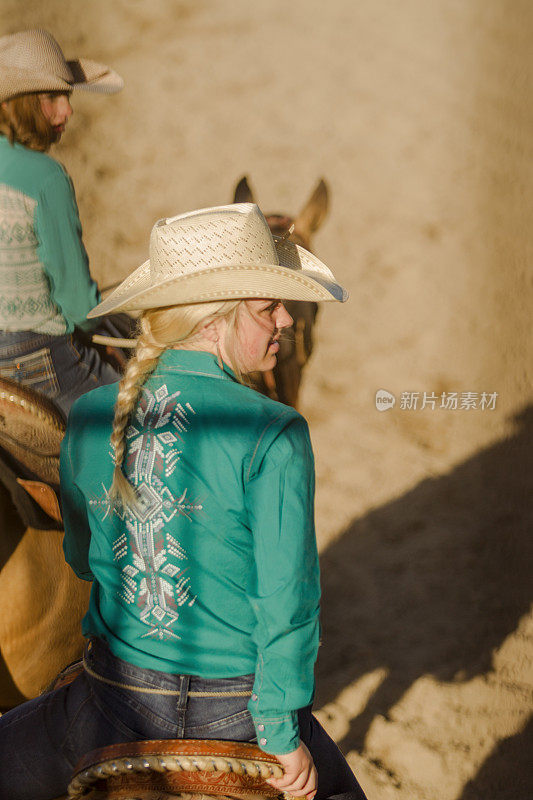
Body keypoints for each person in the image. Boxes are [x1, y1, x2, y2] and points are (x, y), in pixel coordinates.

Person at [0, 203, 367, 800]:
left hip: (114, 700)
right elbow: (287, 604)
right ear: (212, 320)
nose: (286, 319)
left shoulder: (91, 417)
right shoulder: (275, 429)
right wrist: (279, 734)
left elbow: (79, 554)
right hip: (238, 712)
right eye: (267, 305)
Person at [0, 29, 124, 419]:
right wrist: (93, 314)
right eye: (52, 98)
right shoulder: (47, 178)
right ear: (17, 103)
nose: (67, 111)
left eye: (67, 97)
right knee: (147, 417)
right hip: (38, 361)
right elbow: (78, 307)